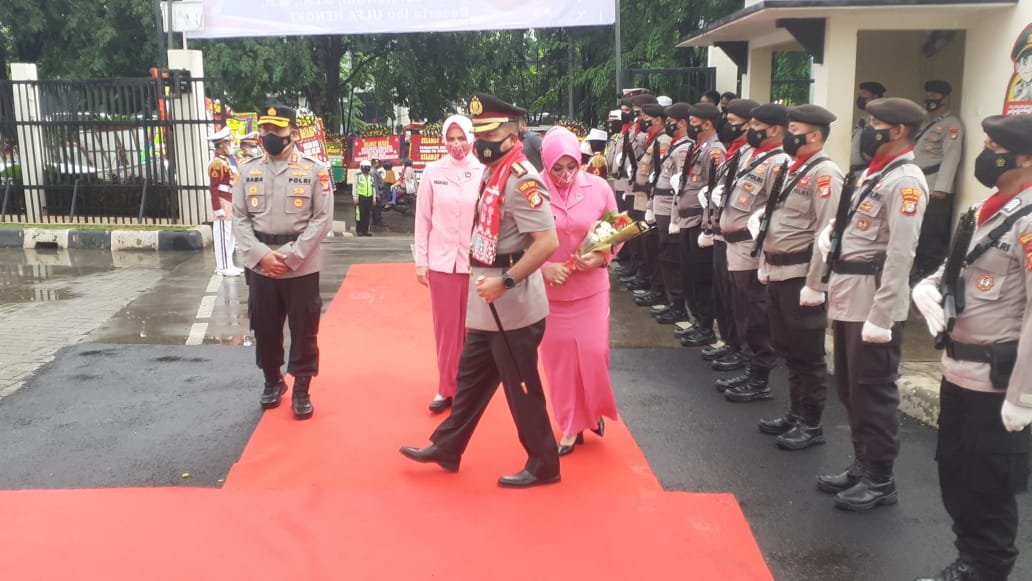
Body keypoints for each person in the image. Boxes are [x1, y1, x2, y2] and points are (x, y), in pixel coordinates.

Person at [400, 93, 561, 488]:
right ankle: (448, 446)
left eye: (490, 135)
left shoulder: (522, 179)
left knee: (521, 390)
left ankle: (544, 462)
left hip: (513, 305)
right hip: (487, 302)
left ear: (512, 135)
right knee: (470, 379)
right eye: (480, 135)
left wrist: (506, 282)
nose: (481, 143)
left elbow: (546, 242)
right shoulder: (494, 172)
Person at [912, 114, 1032, 581]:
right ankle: (969, 560)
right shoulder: (987, 210)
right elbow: (954, 268)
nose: (985, 155)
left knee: (989, 485)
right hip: (957, 370)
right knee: (956, 473)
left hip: (996, 384)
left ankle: (988, 568)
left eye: (994, 147)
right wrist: (927, 288)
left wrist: (1023, 396)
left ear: (1025, 158)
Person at [815, 97, 928, 510]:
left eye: (875, 123)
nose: (867, 129)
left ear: (898, 131)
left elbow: (901, 253)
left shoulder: (906, 181)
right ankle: (863, 463)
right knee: (850, 389)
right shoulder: (875, 174)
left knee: (873, 393)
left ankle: (880, 478)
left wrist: (883, 315)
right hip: (850, 294)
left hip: (873, 300)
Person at [233, 105, 334, 420]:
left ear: (294, 133)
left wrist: (291, 257)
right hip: (261, 264)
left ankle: (302, 387)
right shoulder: (247, 170)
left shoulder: (315, 170)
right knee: (264, 326)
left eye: (277, 130)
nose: (270, 135)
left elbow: (322, 219)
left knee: (304, 329)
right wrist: (261, 255)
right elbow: (239, 218)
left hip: (301, 266)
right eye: (265, 129)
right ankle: (272, 380)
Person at [751, 104, 842, 450]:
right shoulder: (794, 168)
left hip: (801, 276)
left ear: (814, 135)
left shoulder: (825, 174)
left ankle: (811, 422)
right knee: (788, 349)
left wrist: (816, 285)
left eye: (794, 130)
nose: (788, 136)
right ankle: (795, 412)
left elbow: (826, 234)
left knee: (808, 354)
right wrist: (764, 261)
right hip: (779, 271)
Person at [538, 126, 620, 455]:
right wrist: (544, 268)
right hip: (550, 292)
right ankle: (571, 425)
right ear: (545, 164)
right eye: (557, 168)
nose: (565, 174)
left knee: (594, 352)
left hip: (591, 288)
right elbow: (518, 239)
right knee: (559, 362)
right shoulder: (533, 191)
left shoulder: (598, 188)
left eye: (571, 166)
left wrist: (602, 256)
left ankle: (592, 410)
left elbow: (615, 228)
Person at [716, 103, 791, 401]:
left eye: (757, 125)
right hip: (735, 245)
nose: (750, 129)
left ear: (774, 129)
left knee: (755, 313)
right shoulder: (751, 154)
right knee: (742, 310)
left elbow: (775, 210)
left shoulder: (779, 162)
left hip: (751, 247)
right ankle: (749, 364)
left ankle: (760, 377)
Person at [413, 115, 485, 413]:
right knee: (445, 331)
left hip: (475, 264)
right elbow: (423, 219)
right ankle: (446, 387)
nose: (457, 145)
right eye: (451, 139)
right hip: (442, 264)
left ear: (472, 138)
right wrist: (421, 261)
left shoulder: (484, 172)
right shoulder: (433, 172)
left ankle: (468, 389)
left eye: (461, 138)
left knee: (473, 331)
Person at [701, 98, 758, 373]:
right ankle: (731, 342)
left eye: (733, 122)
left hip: (743, 239)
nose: (727, 125)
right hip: (724, 231)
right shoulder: (737, 152)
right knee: (725, 295)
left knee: (744, 302)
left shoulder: (759, 157)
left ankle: (746, 353)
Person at [671, 102, 724, 347]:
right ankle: (697, 321)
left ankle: (705, 326)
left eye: (694, 122)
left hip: (699, 222)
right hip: (686, 219)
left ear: (707, 124)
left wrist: (708, 226)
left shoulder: (715, 150)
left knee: (701, 277)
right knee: (689, 274)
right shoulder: (697, 147)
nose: (690, 126)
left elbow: (714, 189)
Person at [912, 80, 964, 283]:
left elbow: (952, 156)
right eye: (928, 95)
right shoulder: (925, 122)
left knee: (931, 234)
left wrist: (942, 188)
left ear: (946, 98)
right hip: (919, 183)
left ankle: (927, 274)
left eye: (935, 96)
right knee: (917, 232)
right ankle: (918, 270)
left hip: (934, 188)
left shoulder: (952, 125)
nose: (930, 99)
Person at [207, 127, 243, 277]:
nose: (231, 145)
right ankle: (222, 266)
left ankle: (228, 263)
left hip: (230, 198)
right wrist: (217, 208)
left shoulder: (226, 161)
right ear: (221, 145)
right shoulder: (217, 163)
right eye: (228, 142)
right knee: (223, 235)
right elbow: (213, 187)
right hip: (222, 200)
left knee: (231, 235)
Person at [849, 81, 887, 176]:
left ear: (875, 96)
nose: (860, 97)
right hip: (855, 172)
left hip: (868, 171)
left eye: (864, 94)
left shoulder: (882, 120)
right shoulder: (864, 119)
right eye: (860, 94)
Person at [352, 160, 376, 236]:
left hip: (369, 197)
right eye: (365, 167)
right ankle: (359, 230)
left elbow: (373, 188)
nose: (366, 169)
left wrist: (374, 198)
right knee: (359, 215)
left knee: (367, 214)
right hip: (360, 197)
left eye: (368, 167)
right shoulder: (358, 176)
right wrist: (355, 197)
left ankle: (366, 231)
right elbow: (355, 186)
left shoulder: (371, 177)